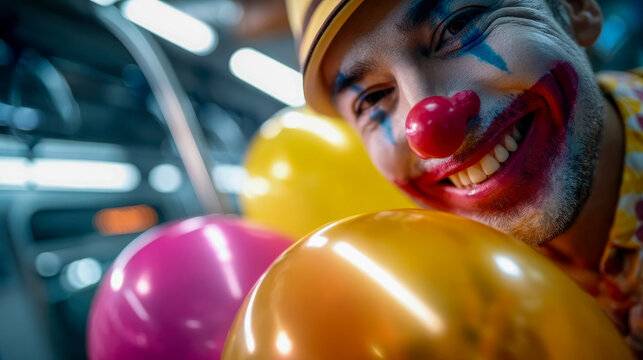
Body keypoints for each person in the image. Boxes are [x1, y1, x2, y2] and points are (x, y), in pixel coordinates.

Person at [285, 0, 643, 354]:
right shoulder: (452, 321)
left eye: (457, 27)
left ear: (575, 7)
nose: (434, 134)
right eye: (374, 98)